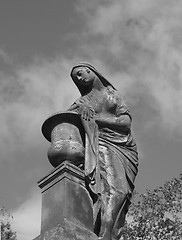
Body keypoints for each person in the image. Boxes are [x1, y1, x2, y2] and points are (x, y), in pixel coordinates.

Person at [67, 63, 138, 240]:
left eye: (81, 73)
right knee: (112, 192)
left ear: (91, 71)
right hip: (100, 144)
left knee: (123, 194)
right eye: (77, 78)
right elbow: (66, 120)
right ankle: (104, 234)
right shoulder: (82, 102)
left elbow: (125, 123)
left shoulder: (112, 94)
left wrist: (97, 119)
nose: (80, 78)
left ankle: (109, 233)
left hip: (124, 148)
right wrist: (79, 112)